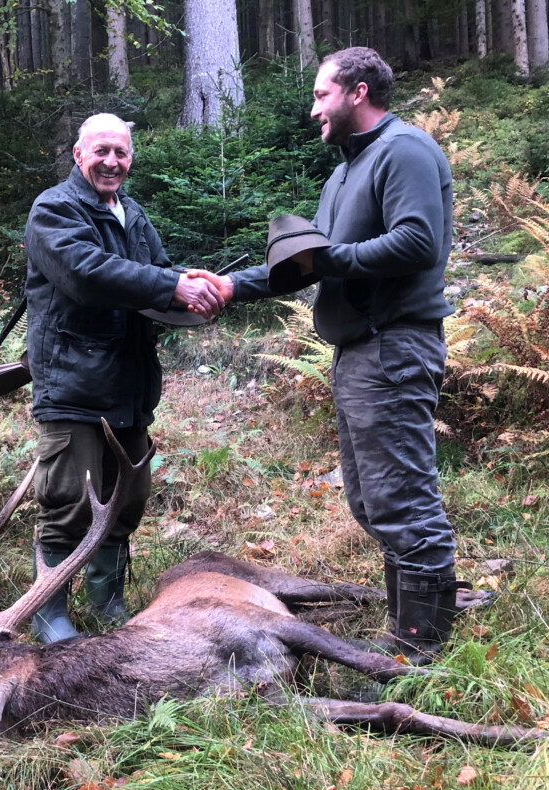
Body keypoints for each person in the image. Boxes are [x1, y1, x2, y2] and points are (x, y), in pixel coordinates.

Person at [196, 47, 468, 664]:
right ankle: (411, 631)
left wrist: (328, 260)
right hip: (357, 353)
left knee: (404, 501)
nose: (313, 107)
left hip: (394, 346)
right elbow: (305, 266)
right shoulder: (343, 173)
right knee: (371, 501)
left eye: (321, 95)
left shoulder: (406, 152)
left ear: (358, 91)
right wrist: (235, 286)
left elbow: (418, 242)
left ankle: (419, 652)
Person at [24, 113, 225, 643]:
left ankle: (107, 600)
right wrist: (171, 284)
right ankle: (49, 611)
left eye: (122, 153)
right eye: (102, 151)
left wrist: (198, 294)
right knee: (67, 499)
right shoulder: (54, 210)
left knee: (124, 499)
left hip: (130, 386)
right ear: (78, 154)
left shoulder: (132, 215)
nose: (112, 162)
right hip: (73, 386)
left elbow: (156, 280)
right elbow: (86, 275)